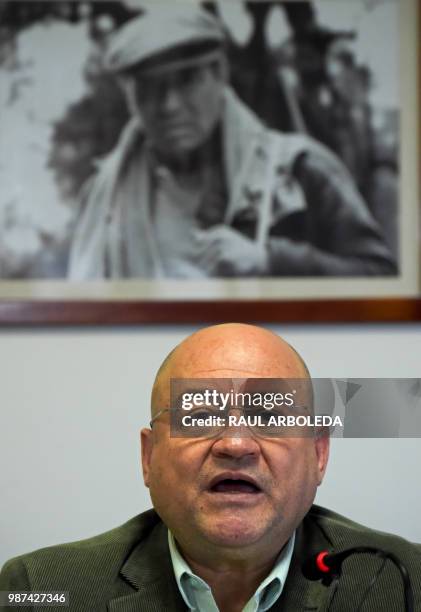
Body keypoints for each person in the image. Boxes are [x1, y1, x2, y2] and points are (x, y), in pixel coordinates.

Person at [1, 323, 420, 612]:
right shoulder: (41, 588)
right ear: (149, 458)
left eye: (270, 418)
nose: (236, 445)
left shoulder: (406, 582)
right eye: (199, 416)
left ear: (318, 455)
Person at [68, 6, 396, 279]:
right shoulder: (104, 199)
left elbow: (380, 279)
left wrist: (273, 262)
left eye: (187, 79)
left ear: (220, 73)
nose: (169, 104)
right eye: (150, 88)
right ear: (130, 97)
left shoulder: (300, 170)